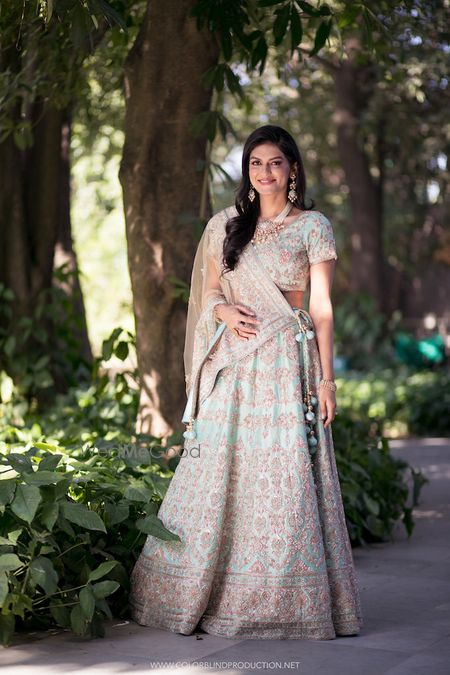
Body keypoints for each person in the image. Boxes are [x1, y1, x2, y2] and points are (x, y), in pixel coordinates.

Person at [129, 124, 364, 640]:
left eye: (275, 162)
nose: (265, 172)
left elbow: (321, 310)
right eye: (255, 163)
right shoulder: (224, 225)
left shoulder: (313, 227)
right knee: (221, 472)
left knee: (283, 478)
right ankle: (200, 591)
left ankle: (281, 603)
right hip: (235, 364)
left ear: (292, 168)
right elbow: (209, 293)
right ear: (247, 170)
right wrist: (225, 310)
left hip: (286, 363)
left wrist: (327, 381)